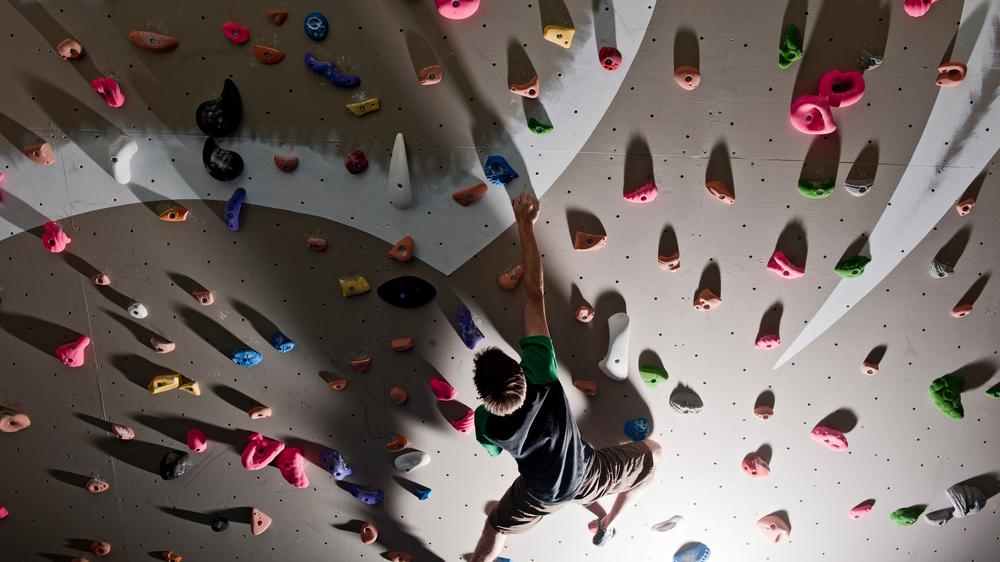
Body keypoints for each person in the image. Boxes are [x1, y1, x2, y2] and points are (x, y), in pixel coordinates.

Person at [469, 193, 662, 562]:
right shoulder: (539, 371)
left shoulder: (486, 424)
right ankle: (609, 522)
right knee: (653, 455)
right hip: (584, 474)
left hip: (538, 495)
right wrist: (525, 223)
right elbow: (535, 293)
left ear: (485, 397)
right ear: (518, 369)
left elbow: (493, 449)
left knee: (494, 528)